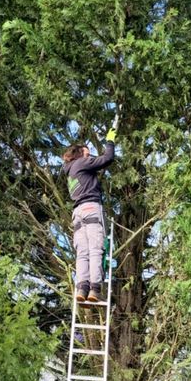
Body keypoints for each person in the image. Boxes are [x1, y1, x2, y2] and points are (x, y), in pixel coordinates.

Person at [62, 127, 116, 302]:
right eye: (87, 152)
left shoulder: (70, 171)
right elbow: (107, 159)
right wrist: (110, 142)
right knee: (95, 250)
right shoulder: (81, 163)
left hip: (77, 213)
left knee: (82, 253)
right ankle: (94, 289)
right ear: (79, 154)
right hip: (91, 208)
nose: (90, 155)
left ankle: (82, 288)